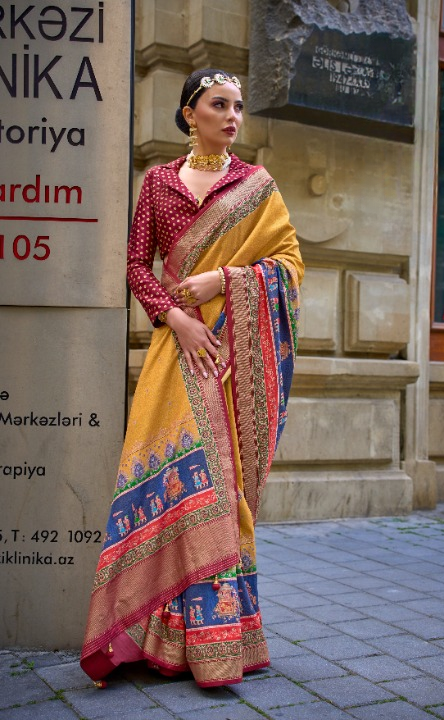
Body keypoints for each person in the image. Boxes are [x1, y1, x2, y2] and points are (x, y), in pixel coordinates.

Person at [80, 68, 304, 688]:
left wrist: (225, 281)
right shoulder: (157, 184)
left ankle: (217, 642)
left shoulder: (256, 187)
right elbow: (134, 263)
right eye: (218, 105)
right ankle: (151, 637)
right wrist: (176, 315)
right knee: (173, 484)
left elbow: (287, 264)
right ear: (189, 114)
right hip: (176, 355)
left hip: (233, 355)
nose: (232, 117)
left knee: (220, 486)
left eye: (237, 107)